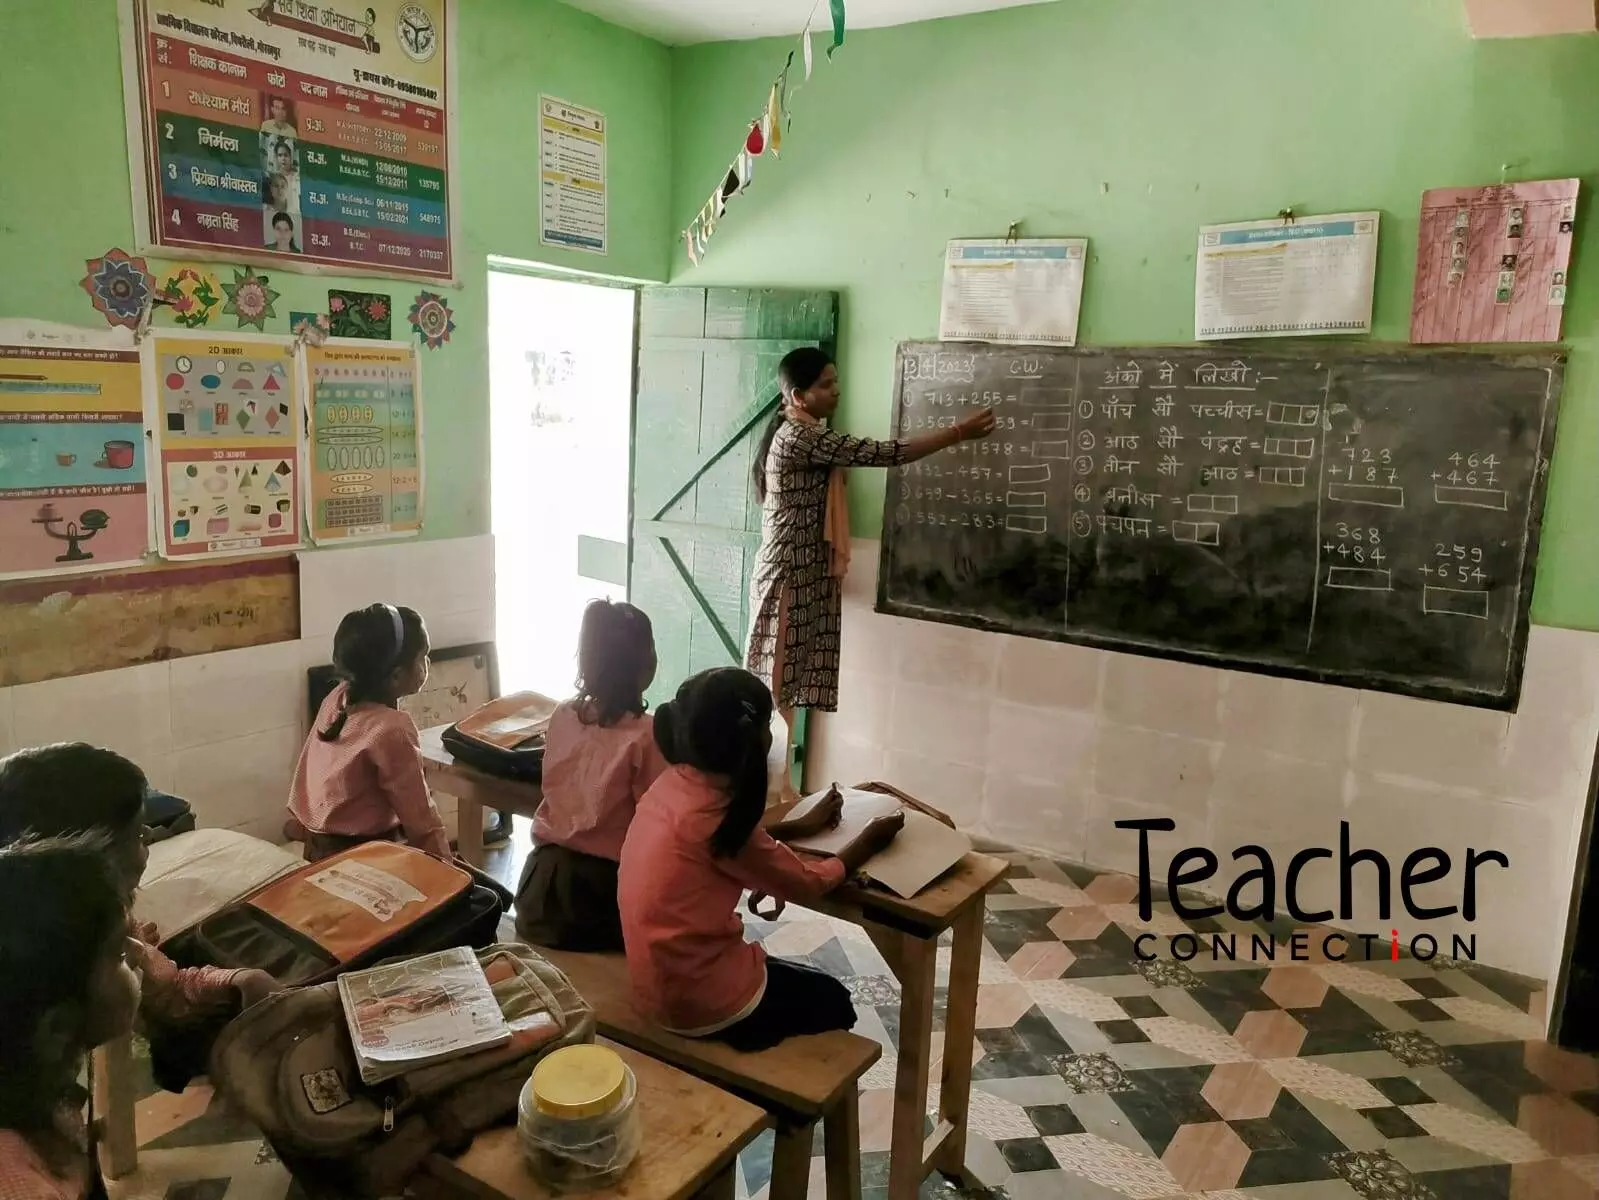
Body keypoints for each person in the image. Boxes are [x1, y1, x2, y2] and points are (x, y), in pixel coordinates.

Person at [745, 347, 996, 798]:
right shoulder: (799, 439)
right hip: (786, 580)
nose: (836, 390)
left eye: (836, 380)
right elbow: (884, 453)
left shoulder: (807, 431)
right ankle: (768, 795)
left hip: (809, 579)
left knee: (791, 689)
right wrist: (957, 432)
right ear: (799, 396)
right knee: (775, 692)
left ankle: (783, 792)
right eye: (826, 384)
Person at [617, 667, 903, 1051]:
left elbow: (726, 847)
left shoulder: (673, 785)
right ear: (757, 740)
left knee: (793, 980)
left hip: (654, 986)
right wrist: (867, 841)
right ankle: (792, 1101)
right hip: (704, 1003)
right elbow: (811, 884)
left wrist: (796, 827)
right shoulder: (719, 816)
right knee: (837, 1000)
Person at [0, 744, 278, 1093]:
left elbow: (167, 986)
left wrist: (239, 979)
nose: (150, 835)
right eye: (136, 832)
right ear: (93, 859)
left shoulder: (102, 921)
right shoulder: (39, 993)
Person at [516, 600, 667, 951]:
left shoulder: (564, 714)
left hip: (538, 889)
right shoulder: (648, 733)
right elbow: (660, 825)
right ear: (646, 666)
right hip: (599, 897)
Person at [0, 836, 141, 1200]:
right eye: (120, 953)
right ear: (57, 1029)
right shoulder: (23, 1186)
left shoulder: (31, 1086)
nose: (139, 954)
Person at [289, 603, 452, 862]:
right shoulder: (392, 729)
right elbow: (421, 819)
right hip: (365, 857)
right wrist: (448, 868)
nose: (427, 664)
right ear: (396, 676)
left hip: (318, 847)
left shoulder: (336, 697)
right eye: (422, 657)